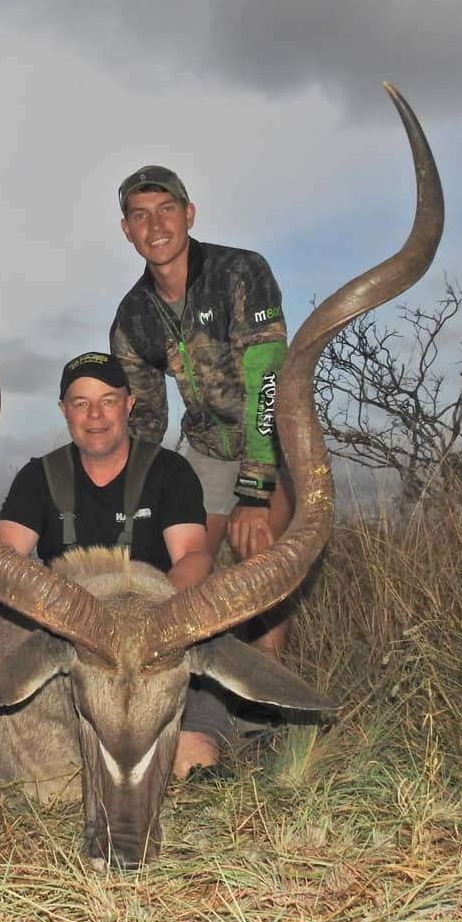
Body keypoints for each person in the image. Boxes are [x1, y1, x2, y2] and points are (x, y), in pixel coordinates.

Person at [108, 165, 296, 759]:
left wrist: (254, 492)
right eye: (140, 215)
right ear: (127, 230)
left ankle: (267, 714)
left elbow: (268, 380)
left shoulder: (240, 271)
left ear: (189, 215)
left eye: (166, 209)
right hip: (207, 450)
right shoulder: (133, 316)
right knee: (176, 569)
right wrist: (124, 504)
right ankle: (188, 708)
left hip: (275, 440)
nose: (155, 225)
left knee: (259, 556)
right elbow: (144, 423)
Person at [0, 351, 227, 778]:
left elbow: (193, 557)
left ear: (129, 404)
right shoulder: (38, 477)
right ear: (64, 410)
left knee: (191, 760)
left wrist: (151, 615)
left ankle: (215, 727)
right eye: (81, 403)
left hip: (157, 642)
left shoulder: (169, 472)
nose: (95, 415)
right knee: (53, 766)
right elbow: (2, 560)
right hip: (74, 647)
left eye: (108, 400)